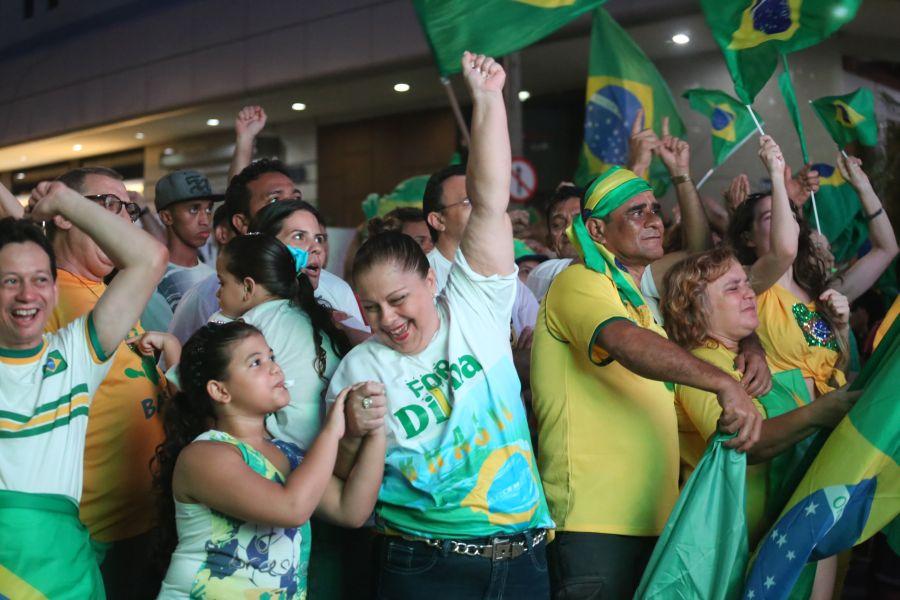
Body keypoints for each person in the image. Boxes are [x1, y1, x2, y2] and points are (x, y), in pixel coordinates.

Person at [328, 53, 553, 599]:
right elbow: (338, 480)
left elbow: (491, 202)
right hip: (424, 563)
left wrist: (488, 100)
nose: (387, 320)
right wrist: (354, 434)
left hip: (523, 554)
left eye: (399, 299)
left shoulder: (474, 306)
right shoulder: (359, 366)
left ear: (431, 280)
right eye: (371, 307)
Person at [531, 163, 763, 599]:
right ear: (597, 229)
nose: (655, 219)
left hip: (654, 524)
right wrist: (723, 383)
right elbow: (624, 342)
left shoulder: (639, 303)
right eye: (636, 212)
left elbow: (695, 338)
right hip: (593, 526)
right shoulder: (579, 282)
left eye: (655, 209)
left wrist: (753, 346)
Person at [0, 180, 166, 599]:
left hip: (69, 576)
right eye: (9, 281)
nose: (27, 295)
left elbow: (149, 258)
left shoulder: (75, 354)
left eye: (40, 279)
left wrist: (65, 201)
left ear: (55, 291)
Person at [154, 321, 385, 598]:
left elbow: (351, 510)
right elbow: (292, 509)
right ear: (220, 391)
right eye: (256, 363)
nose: (275, 368)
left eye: (271, 357)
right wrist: (332, 430)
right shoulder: (204, 455)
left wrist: (377, 429)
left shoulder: (286, 453)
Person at [662, 247, 857, 545]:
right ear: (693, 311)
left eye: (747, 284)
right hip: (724, 546)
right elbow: (746, 444)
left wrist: (840, 328)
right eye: (732, 288)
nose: (750, 294)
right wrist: (819, 413)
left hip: (769, 537)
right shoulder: (700, 367)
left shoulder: (750, 358)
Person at [728, 142, 898, 400]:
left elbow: (886, 249)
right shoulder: (747, 283)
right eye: (771, 217)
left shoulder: (821, 293)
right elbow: (783, 251)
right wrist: (776, 173)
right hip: (789, 426)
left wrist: (863, 187)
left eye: (789, 216)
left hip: (831, 424)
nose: (785, 222)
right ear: (748, 238)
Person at [214, 233, 351, 449]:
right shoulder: (307, 312)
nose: (217, 293)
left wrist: (172, 347)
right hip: (331, 443)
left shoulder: (247, 326)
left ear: (248, 288)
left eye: (222, 283)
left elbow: (189, 379)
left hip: (289, 445)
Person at [422, 164, 540, 336]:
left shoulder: (504, 273)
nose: (483, 210)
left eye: (483, 200)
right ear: (438, 220)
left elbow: (535, 332)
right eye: (468, 202)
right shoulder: (420, 277)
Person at [251, 199, 370, 336]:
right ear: (266, 247)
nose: (317, 248)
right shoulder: (245, 305)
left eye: (318, 239)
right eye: (299, 236)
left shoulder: (337, 289)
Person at [154, 171, 218, 312]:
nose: (205, 220)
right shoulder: (151, 277)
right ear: (166, 217)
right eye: (194, 209)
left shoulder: (214, 277)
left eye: (208, 209)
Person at [525, 184, 581, 300]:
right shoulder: (541, 274)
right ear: (549, 242)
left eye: (578, 221)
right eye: (558, 225)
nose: (568, 230)